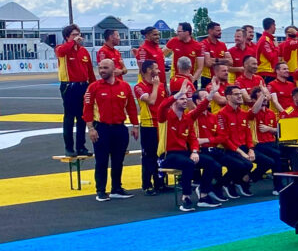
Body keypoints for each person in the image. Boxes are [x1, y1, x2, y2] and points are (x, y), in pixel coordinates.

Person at [156, 88, 221, 210]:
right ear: (174, 101)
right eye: (181, 98)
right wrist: (176, 94)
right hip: (168, 155)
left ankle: (203, 196)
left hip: (184, 153)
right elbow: (162, 107)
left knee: (210, 162)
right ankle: (186, 197)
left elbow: (192, 139)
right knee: (188, 164)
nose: (185, 100)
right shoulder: (165, 117)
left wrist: (195, 151)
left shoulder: (187, 119)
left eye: (186, 98)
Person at [84, 59, 139, 201]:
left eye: (105, 68)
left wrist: (135, 125)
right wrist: (90, 129)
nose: (102, 70)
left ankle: (116, 188)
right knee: (101, 161)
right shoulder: (93, 87)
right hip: (101, 129)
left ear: (113, 69)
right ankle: (101, 191)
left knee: (118, 160)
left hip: (119, 129)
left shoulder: (125, 86)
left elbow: (131, 107)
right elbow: (87, 109)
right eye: (100, 68)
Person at [213, 85, 266, 197]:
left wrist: (251, 149)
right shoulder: (221, 114)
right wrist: (241, 152)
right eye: (236, 94)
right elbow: (224, 139)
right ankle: (223, 185)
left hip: (244, 147)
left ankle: (240, 181)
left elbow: (248, 133)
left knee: (268, 161)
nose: (239, 96)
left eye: (240, 94)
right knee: (245, 165)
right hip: (228, 150)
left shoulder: (243, 113)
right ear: (228, 97)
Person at [56, 24, 95, 156]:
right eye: (73, 35)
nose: (77, 37)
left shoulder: (83, 51)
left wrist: (93, 86)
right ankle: (69, 147)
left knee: (82, 117)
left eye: (78, 34)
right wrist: (72, 43)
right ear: (67, 37)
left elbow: (89, 70)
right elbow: (61, 52)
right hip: (69, 86)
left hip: (83, 86)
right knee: (69, 117)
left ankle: (81, 146)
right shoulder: (62, 49)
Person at [134, 60, 169, 195]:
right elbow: (152, 101)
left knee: (161, 154)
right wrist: (155, 86)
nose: (159, 70)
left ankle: (160, 183)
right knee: (149, 156)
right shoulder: (139, 86)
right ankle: (147, 185)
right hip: (148, 125)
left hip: (161, 124)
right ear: (149, 70)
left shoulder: (161, 85)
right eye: (156, 68)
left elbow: (165, 104)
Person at [200, 22, 230, 87]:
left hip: (221, 77)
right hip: (208, 77)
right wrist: (223, 60)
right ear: (210, 31)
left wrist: (214, 60)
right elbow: (208, 63)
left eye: (220, 30)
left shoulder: (222, 45)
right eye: (218, 30)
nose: (220, 32)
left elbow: (230, 61)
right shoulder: (204, 44)